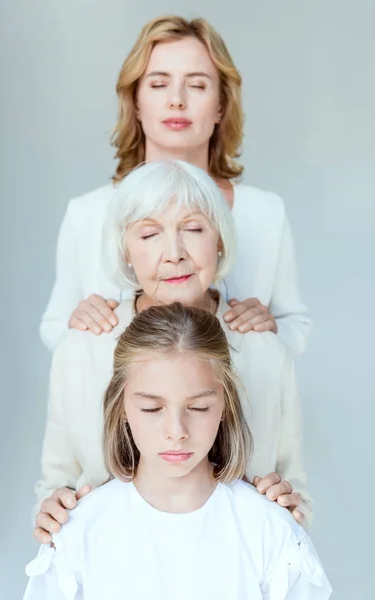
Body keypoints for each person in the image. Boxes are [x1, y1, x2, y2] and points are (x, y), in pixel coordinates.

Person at [33, 161, 312, 547]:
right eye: (149, 234)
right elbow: (55, 482)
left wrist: (289, 509)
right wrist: (49, 510)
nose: (174, 253)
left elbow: (296, 490)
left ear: (220, 240)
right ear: (125, 251)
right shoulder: (80, 349)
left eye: (194, 229)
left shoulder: (264, 349)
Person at [40, 15, 311, 356]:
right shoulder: (86, 213)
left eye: (197, 85)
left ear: (220, 107)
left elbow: (295, 325)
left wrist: (269, 329)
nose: (177, 100)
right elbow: (54, 327)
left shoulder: (265, 212)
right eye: (158, 84)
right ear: (136, 103)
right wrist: (78, 326)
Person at [24, 303, 331, 600]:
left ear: (224, 405)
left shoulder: (269, 530)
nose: (176, 431)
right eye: (152, 408)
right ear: (122, 408)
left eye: (198, 407)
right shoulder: (78, 534)